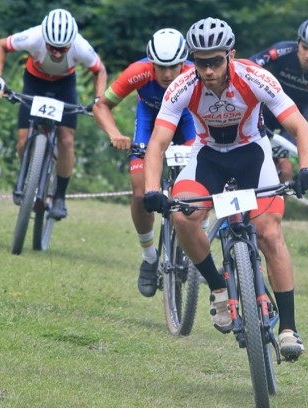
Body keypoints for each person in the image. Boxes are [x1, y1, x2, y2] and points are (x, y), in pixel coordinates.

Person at [142, 17, 308, 360]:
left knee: (268, 231)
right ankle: (219, 288)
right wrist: (153, 189)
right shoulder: (181, 87)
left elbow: (300, 126)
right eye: (200, 62)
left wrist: (307, 167)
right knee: (183, 214)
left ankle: (288, 328)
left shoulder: (254, 77)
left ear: (231, 55)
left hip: (252, 153)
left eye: (215, 61)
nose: (207, 70)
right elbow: (157, 144)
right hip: (207, 156)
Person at [92, 28, 195, 297]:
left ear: (183, 62)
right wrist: (115, 134)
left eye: (173, 66)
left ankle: (197, 245)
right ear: (151, 62)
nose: (167, 74)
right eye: (160, 66)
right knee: (140, 193)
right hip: (149, 125)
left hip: (186, 124)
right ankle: (150, 258)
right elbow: (101, 106)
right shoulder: (137, 72)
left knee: (197, 189)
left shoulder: (197, 75)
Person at [0, 8, 107, 219]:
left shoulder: (80, 46)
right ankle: (27, 178)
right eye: (52, 47)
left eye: (63, 49)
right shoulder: (34, 36)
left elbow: (100, 70)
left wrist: (99, 100)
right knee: (23, 139)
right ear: (45, 39)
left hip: (64, 87)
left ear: (72, 43)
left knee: (66, 140)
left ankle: (59, 196)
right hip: (35, 83)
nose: (57, 53)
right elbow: (1, 45)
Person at [249, 17, 308, 181]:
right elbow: (246, 69)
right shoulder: (281, 51)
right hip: (268, 110)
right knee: (251, 156)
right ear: (298, 41)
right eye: (304, 47)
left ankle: (275, 205)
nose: (307, 55)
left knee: (285, 168)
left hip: (296, 118)